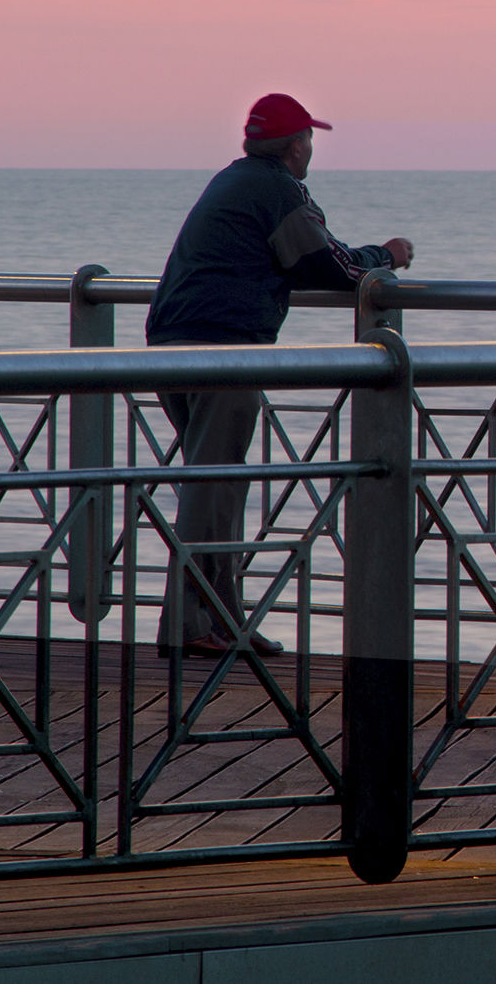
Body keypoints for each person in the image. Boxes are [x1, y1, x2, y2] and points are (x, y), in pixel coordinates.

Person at [148, 92, 416, 658]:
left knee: (214, 479)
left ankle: (220, 620)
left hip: (173, 338)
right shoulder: (277, 190)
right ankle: (190, 624)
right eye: (310, 139)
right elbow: (328, 265)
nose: (311, 149)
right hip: (222, 347)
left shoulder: (234, 180)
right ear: (297, 146)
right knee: (213, 484)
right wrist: (386, 255)